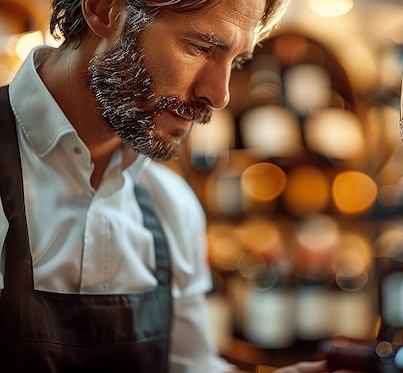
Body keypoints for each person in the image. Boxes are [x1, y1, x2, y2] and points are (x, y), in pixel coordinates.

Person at [0, 0, 358, 372]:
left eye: (234, 62)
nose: (219, 96)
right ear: (105, 10)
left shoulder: (171, 205)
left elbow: (189, 366)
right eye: (202, 48)